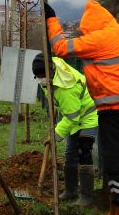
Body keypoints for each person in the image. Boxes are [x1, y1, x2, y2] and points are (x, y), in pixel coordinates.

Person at [44, 0, 119, 215]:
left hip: (116, 110)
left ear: (92, 24)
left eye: (85, 30)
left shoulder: (102, 38)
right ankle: (115, 209)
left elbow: (61, 47)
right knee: (115, 162)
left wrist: (51, 20)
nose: (84, 34)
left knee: (115, 163)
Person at [32, 53, 98, 206]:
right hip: (73, 115)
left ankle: (86, 197)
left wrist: (55, 135)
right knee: (70, 154)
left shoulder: (66, 87)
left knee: (83, 151)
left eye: (42, 76)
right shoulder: (50, 69)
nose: (40, 79)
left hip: (88, 117)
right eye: (38, 76)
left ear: (51, 71)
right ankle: (70, 191)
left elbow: (72, 117)